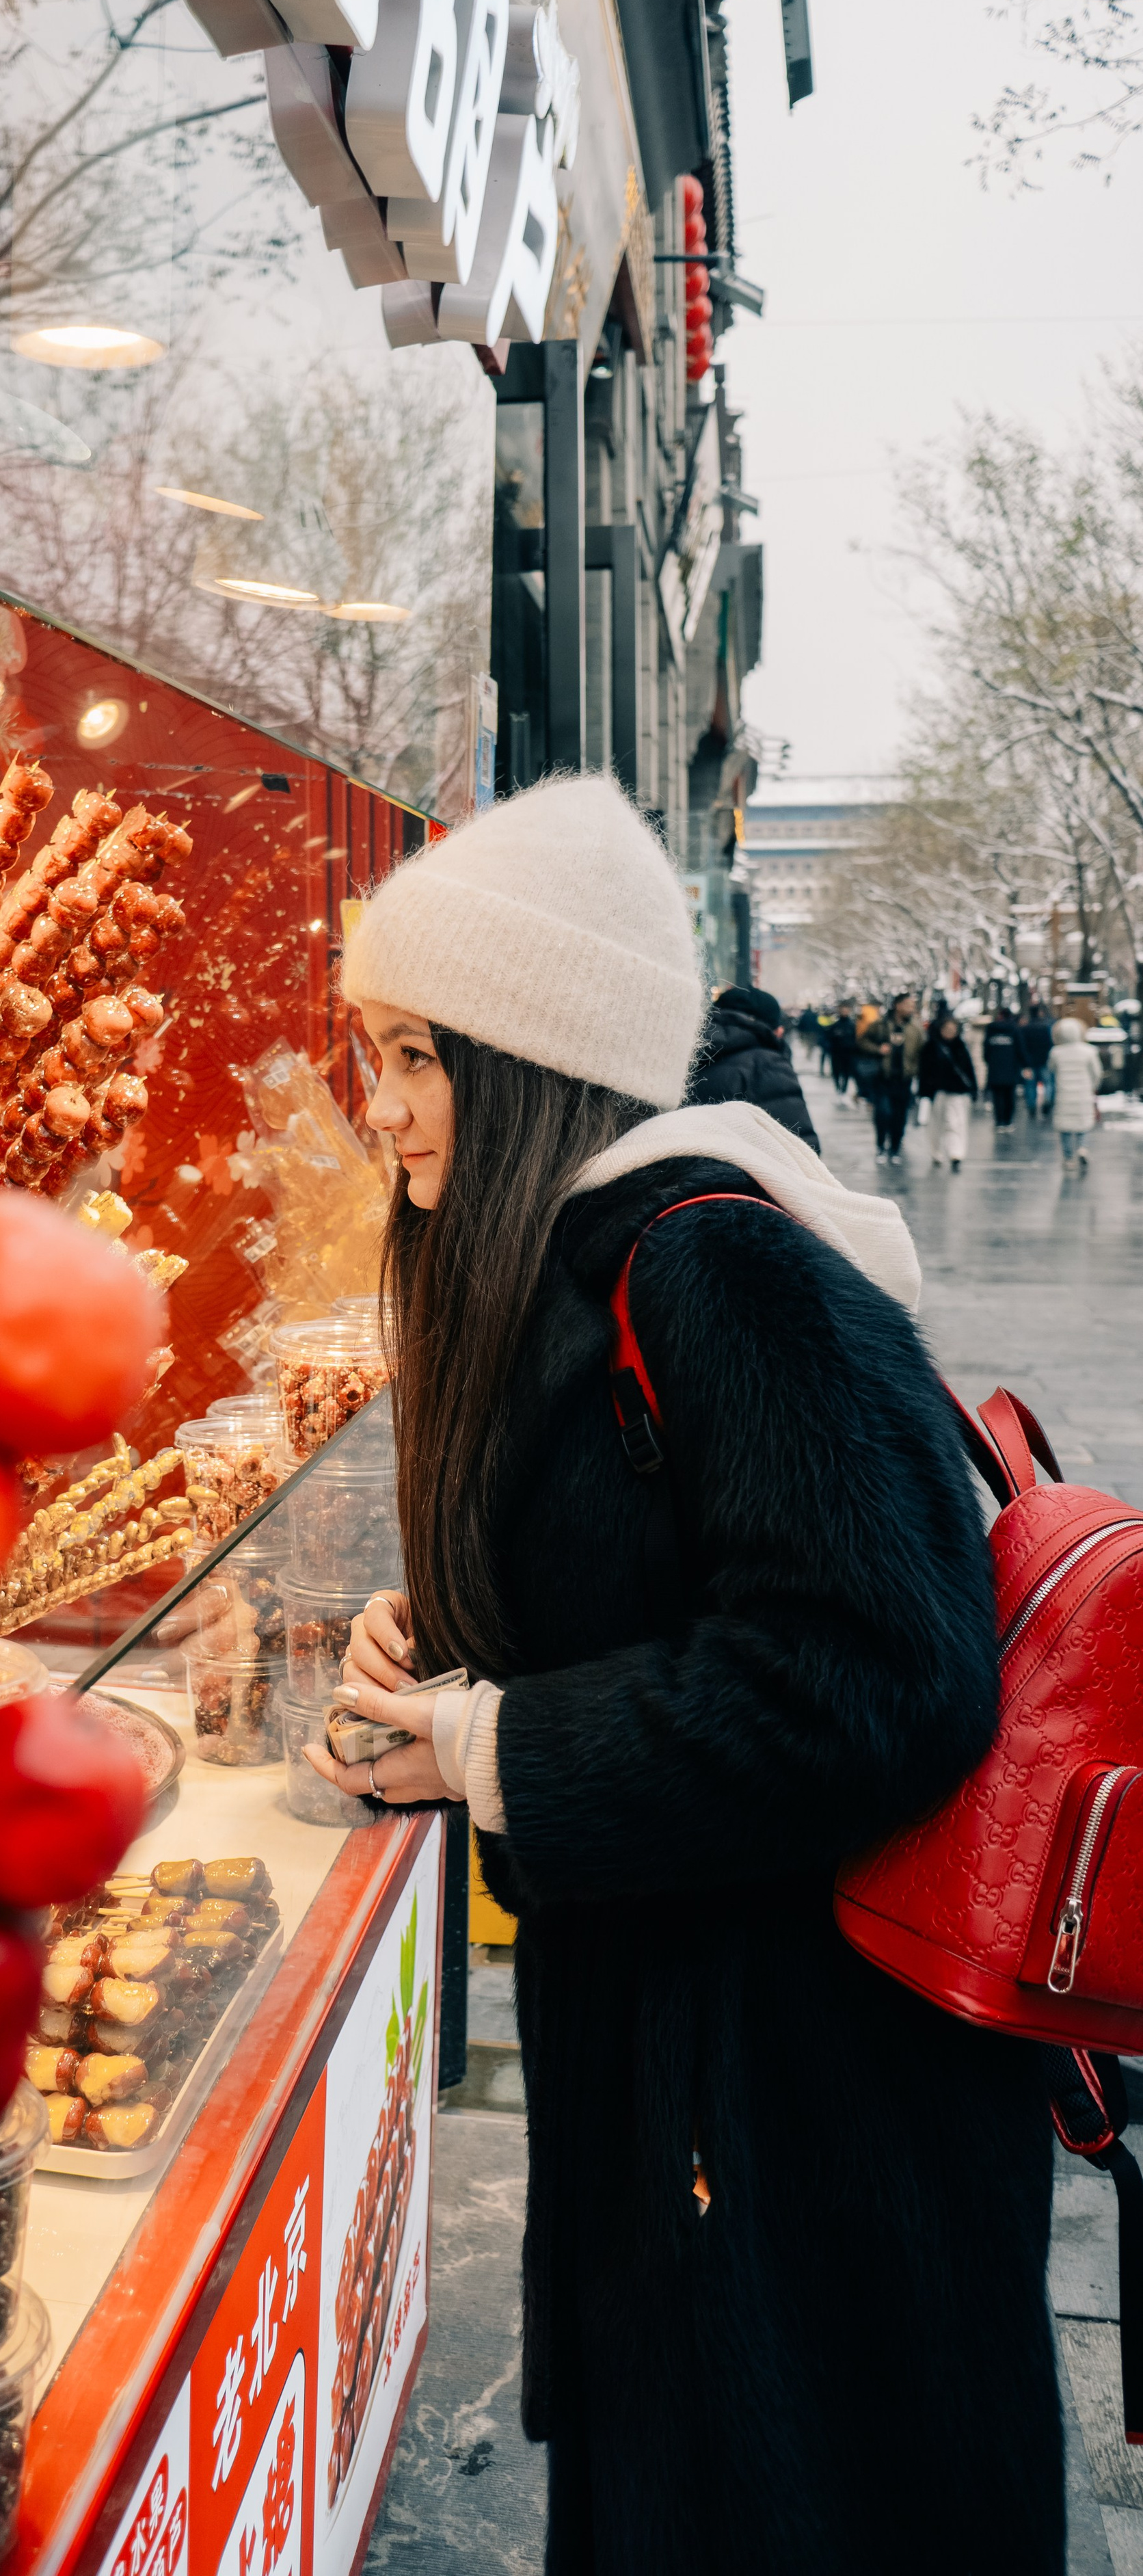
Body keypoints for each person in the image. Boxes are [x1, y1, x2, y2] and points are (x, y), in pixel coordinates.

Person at [299, 777, 1058, 2576]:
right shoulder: (582, 1275)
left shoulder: (710, 1261)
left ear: (533, 1053)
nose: (382, 1104)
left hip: (814, 2136)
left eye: (416, 1054)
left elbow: (882, 1670)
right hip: (703, 2116)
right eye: (369, 1052)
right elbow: (671, 1590)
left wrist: (497, 1746)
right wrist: (448, 1651)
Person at [685, 983, 820, 1150]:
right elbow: (802, 1148)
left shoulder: (684, 1054)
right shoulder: (768, 1065)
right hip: (738, 1171)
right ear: (777, 1031)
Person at [859, 992, 923, 1165]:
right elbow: (863, 1042)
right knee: (883, 1113)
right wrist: (878, 1049)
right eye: (908, 1005)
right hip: (882, 1078)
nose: (912, 1008)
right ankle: (881, 1146)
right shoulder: (881, 1025)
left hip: (904, 1080)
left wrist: (916, 1071)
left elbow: (922, 1052)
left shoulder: (915, 1029)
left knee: (900, 1116)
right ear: (898, 1005)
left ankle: (894, 1148)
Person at [919, 1013, 977, 1170]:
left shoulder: (960, 1046)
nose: (951, 1032)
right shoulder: (931, 1047)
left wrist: (973, 1089)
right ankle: (936, 1152)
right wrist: (924, 1092)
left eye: (953, 1029)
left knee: (955, 1123)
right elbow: (924, 1071)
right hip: (937, 1092)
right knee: (936, 1124)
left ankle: (956, 1154)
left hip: (957, 1092)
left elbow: (968, 1069)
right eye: (947, 1029)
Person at [1049, 1014, 1103, 1173]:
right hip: (1083, 1093)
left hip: (1064, 1093)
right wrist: (1094, 1086)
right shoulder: (1089, 1051)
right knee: (1083, 1123)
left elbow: (1051, 1069)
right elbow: (1097, 1072)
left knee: (1065, 1128)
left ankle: (1068, 1158)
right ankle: (1082, 1148)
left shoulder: (1056, 1052)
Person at [983, 1008, 1022, 1130]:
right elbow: (1020, 1048)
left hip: (995, 1068)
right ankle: (1008, 1121)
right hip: (1011, 1068)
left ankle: (999, 1121)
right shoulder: (1014, 1029)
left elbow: (986, 1049)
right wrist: (1024, 1064)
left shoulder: (991, 1029)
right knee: (1009, 1096)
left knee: (997, 1096)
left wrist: (989, 1061)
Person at [1019, 1002, 1055, 1119]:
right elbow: (1050, 1044)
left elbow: (1023, 1046)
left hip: (1030, 1062)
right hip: (1045, 1060)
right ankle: (1048, 1103)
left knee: (1030, 1085)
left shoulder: (1025, 1029)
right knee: (1048, 1083)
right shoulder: (1046, 1027)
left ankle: (1032, 1107)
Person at [827, 1002, 857, 1095]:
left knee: (846, 1071)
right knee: (836, 1071)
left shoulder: (852, 1025)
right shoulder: (835, 1025)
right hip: (836, 1052)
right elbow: (829, 1038)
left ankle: (844, 1088)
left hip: (848, 1052)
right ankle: (838, 1087)